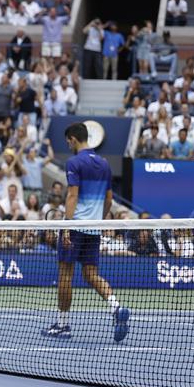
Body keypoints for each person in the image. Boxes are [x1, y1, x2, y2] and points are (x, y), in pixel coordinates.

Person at [41, 122, 130, 342]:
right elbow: (109, 200)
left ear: (73, 139)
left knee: (65, 274)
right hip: (93, 228)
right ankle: (116, 307)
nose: (68, 145)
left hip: (75, 226)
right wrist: (98, 221)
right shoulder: (104, 164)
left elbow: (72, 195)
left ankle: (63, 325)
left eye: (68, 142)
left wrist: (67, 226)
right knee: (91, 274)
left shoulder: (74, 162)